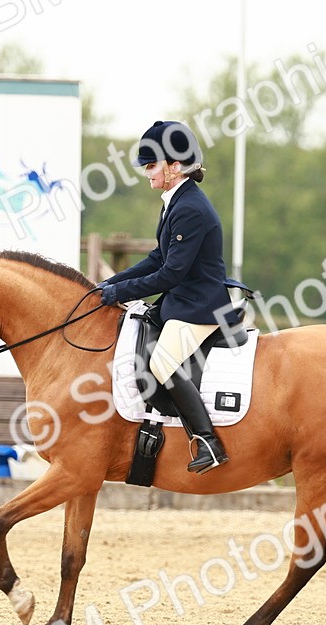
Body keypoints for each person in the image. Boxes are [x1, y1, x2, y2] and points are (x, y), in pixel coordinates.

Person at [98, 120, 235, 474]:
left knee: (161, 362)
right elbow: (158, 258)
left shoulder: (190, 208)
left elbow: (171, 274)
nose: (146, 172)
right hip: (184, 300)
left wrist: (118, 292)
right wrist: (108, 285)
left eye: (152, 165)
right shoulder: (175, 201)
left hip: (200, 306)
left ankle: (208, 440)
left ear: (175, 166)